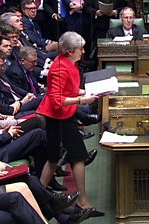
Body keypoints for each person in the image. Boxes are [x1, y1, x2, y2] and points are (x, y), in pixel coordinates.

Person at [36, 31, 102, 217]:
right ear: (69, 51)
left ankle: (39, 196)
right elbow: (57, 100)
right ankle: (81, 201)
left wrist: (86, 92)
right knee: (68, 157)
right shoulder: (59, 68)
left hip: (66, 117)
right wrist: (82, 101)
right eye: (80, 48)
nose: (83, 51)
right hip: (58, 118)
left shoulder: (70, 64)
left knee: (58, 158)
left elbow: (71, 89)